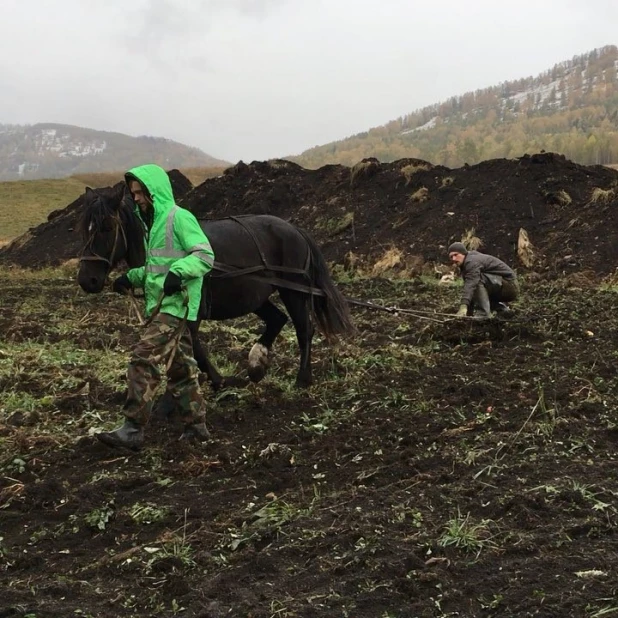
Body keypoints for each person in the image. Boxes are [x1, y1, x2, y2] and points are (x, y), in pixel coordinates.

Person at [96, 164, 215, 451]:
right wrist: (131, 277)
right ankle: (196, 427)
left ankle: (132, 428)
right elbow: (156, 270)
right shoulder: (152, 225)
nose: (135, 198)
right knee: (181, 368)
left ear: (154, 191)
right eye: (134, 193)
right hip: (162, 306)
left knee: (143, 359)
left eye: (140, 193)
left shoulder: (179, 218)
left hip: (176, 306)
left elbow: (205, 255)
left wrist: (180, 272)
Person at [447, 242, 518, 319]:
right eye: (451, 257)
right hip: (500, 285)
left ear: (463, 253)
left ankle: (483, 314)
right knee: (473, 286)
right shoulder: (467, 262)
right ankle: (502, 310)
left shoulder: (472, 261)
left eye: (456, 255)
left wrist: (463, 306)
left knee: (476, 281)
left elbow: (472, 284)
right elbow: (471, 291)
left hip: (510, 287)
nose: (453, 259)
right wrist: (467, 315)